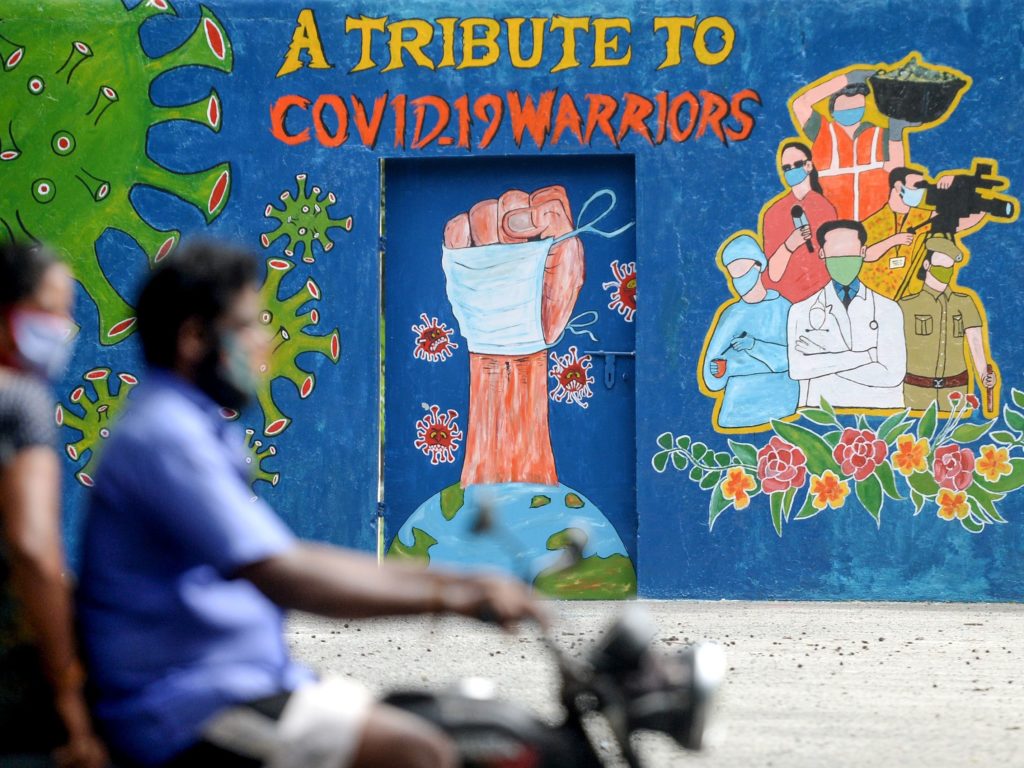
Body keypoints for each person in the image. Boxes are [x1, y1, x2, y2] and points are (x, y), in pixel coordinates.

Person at [77, 241, 546, 768]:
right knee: (417, 750)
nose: (264, 344)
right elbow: (286, 573)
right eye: (248, 326)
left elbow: (285, 556)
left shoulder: (192, 427)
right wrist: (453, 595)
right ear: (193, 337)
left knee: (440, 717)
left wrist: (459, 584)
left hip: (239, 682)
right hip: (187, 705)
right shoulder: (167, 437)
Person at [0, 242, 107, 767]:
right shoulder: (19, 401)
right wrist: (67, 688)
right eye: (50, 309)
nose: (64, 327)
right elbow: (34, 548)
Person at [787, 220, 906, 409]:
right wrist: (868, 355)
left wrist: (828, 353)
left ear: (863, 253)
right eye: (835, 253)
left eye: (850, 253)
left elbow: (892, 374)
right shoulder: (801, 310)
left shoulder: (888, 309)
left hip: (879, 411)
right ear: (822, 254)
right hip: (821, 411)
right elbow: (800, 368)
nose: (843, 259)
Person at [701, 233, 798, 428]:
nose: (738, 277)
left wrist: (754, 347)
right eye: (733, 272)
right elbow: (711, 377)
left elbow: (795, 360)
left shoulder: (784, 308)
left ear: (758, 266)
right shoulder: (731, 315)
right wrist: (720, 371)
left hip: (781, 411)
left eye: (742, 269)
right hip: (735, 414)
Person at [792, 69, 911, 220]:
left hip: (875, 223)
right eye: (845, 104)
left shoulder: (880, 135)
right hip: (833, 226)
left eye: (856, 104)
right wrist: (848, 78)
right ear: (833, 110)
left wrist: (896, 132)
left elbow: (897, 172)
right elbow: (800, 104)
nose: (851, 108)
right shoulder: (821, 131)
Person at [899, 237, 996, 413]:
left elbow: (975, 344)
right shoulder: (905, 305)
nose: (945, 271)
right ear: (927, 265)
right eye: (940, 265)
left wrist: (984, 375)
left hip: (955, 392)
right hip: (916, 392)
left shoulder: (965, 302)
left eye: (949, 267)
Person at [861, 168, 987, 300]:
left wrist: (957, 181)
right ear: (899, 187)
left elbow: (973, 215)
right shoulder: (872, 223)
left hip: (911, 302)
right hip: (877, 303)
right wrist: (893, 241)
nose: (921, 191)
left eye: (923, 187)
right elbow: (865, 254)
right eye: (917, 186)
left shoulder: (924, 216)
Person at [761, 140, 838, 303]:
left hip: (820, 297)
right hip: (785, 300)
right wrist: (790, 245)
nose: (791, 171)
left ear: (808, 166)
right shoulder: (773, 214)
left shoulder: (826, 209)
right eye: (786, 168)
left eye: (796, 164)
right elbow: (773, 274)